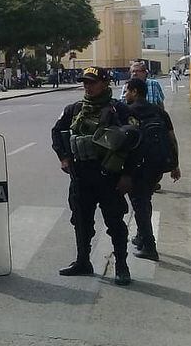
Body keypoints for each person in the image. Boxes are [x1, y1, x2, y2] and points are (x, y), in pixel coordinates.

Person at [51, 67, 134, 286]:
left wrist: (127, 175)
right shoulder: (75, 109)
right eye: (85, 82)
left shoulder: (118, 110)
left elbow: (134, 144)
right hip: (81, 176)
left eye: (92, 82)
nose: (87, 86)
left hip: (108, 176)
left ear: (105, 83)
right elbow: (57, 132)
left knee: (114, 222)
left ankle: (122, 266)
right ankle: (82, 261)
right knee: (81, 221)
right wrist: (63, 158)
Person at [123, 77, 180, 261]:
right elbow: (172, 139)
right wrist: (175, 165)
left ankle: (149, 246)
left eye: (127, 91)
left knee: (139, 203)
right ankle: (141, 236)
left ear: (134, 92)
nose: (125, 94)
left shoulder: (127, 112)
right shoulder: (159, 111)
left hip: (137, 165)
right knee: (145, 199)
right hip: (158, 165)